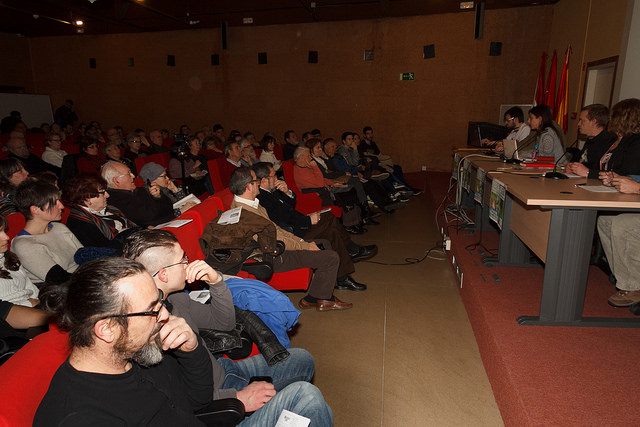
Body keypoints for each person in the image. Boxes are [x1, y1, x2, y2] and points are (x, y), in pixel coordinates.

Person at [122, 229, 333, 423]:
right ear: (164, 274)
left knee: (303, 359)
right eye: (182, 260)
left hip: (222, 371)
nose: (188, 263)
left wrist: (216, 282)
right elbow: (177, 401)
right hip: (217, 402)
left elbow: (224, 323)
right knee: (307, 397)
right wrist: (237, 397)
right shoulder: (147, 329)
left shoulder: (176, 299)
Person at [34, 257, 214, 425]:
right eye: (152, 310)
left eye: (159, 300)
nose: (165, 314)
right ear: (107, 329)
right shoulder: (82, 417)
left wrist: (191, 350)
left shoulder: (136, 349)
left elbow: (198, 401)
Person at [229, 167, 353, 311]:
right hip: (272, 256)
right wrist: (305, 246)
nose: (258, 183)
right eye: (256, 181)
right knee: (331, 257)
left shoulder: (250, 204)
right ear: (248, 186)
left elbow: (277, 229)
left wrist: (302, 242)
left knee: (324, 243)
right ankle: (323, 299)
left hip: (275, 247)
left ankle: (317, 296)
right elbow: (274, 239)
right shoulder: (247, 214)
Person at [254, 162, 376, 291]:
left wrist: (287, 192)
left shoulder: (271, 190)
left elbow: (289, 207)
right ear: (263, 180)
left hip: (297, 224)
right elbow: (283, 219)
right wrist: (308, 220)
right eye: (273, 176)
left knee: (330, 226)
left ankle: (345, 271)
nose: (277, 179)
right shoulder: (262, 198)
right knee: (329, 225)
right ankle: (349, 256)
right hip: (292, 232)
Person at [11, 180, 83, 284]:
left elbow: (85, 255)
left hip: (81, 278)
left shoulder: (59, 227)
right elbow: (58, 278)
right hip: (60, 288)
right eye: (55, 203)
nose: (61, 206)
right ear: (35, 210)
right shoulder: (24, 245)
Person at [292, 146, 366, 232]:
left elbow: (322, 179)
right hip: (318, 193)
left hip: (324, 188)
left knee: (351, 189)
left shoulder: (306, 167)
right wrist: (315, 167)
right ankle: (349, 225)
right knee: (347, 193)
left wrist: (332, 183)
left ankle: (356, 221)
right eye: (308, 156)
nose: (311, 158)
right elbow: (320, 183)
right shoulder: (300, 172)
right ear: (302, 158)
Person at [62, 174, 139, 253]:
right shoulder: (79, 224)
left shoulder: (110, 209)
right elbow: (106, 250)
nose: (107, 195)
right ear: (87, 198)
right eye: (102, 192)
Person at [102, 161, 175, 227]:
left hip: (170, 222)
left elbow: (169, 207)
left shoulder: (139, 190)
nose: (133, 176)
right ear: (116, 181)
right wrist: (159, 203)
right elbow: (149, 216)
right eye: (129, 174)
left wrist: (158, 197)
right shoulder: (114, 200)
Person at [564, 104, 617, 178]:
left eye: (582, 121)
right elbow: (584, 162)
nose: (579, 124)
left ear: (593, 122)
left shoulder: (609, 143)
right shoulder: (590, 140)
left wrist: (588, 172)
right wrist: (572, 167)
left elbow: (610, 173)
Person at [0, 215, 40, 308]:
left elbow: (32, 291)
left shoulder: (10, 258)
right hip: (11, 313)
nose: (6, 237)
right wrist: (27, 304)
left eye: (4, 231)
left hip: (33, 308)